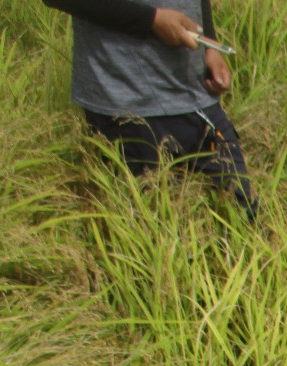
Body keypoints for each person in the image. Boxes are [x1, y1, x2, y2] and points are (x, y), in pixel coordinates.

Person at [42, 0, 257, 219]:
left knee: (242, 220)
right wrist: (152, 20)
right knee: (149, 235)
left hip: (198, 95)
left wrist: (210, 45)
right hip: (129, 108)